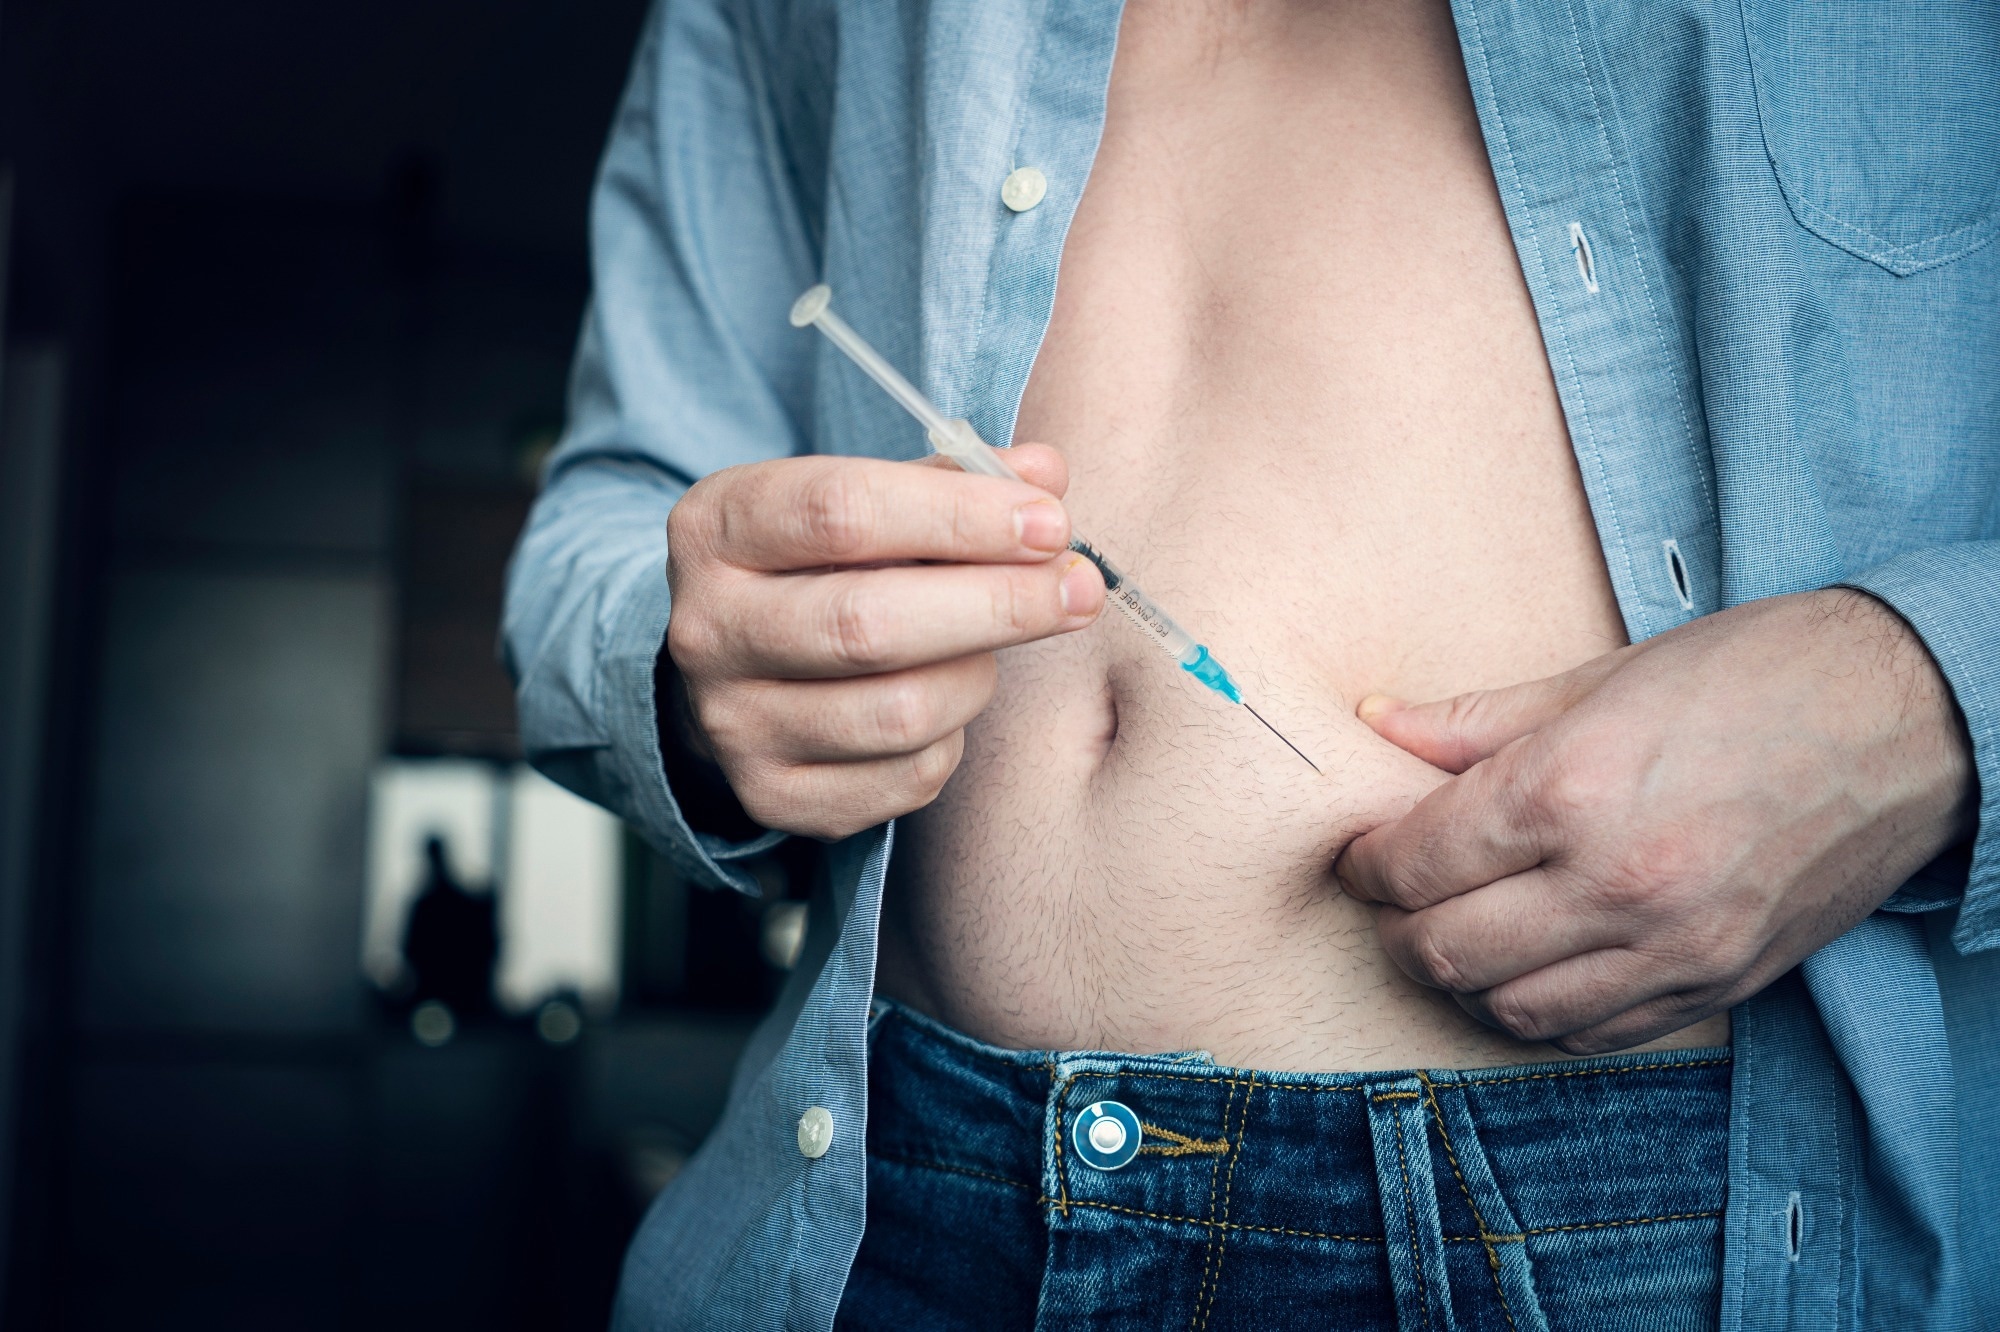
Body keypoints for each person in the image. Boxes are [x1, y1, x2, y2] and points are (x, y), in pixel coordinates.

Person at [504, 2, 2000, 1328]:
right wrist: (697, 681)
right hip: (884, 1184)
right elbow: (612, 521)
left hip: (1614, 1213)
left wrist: (1924, 706)